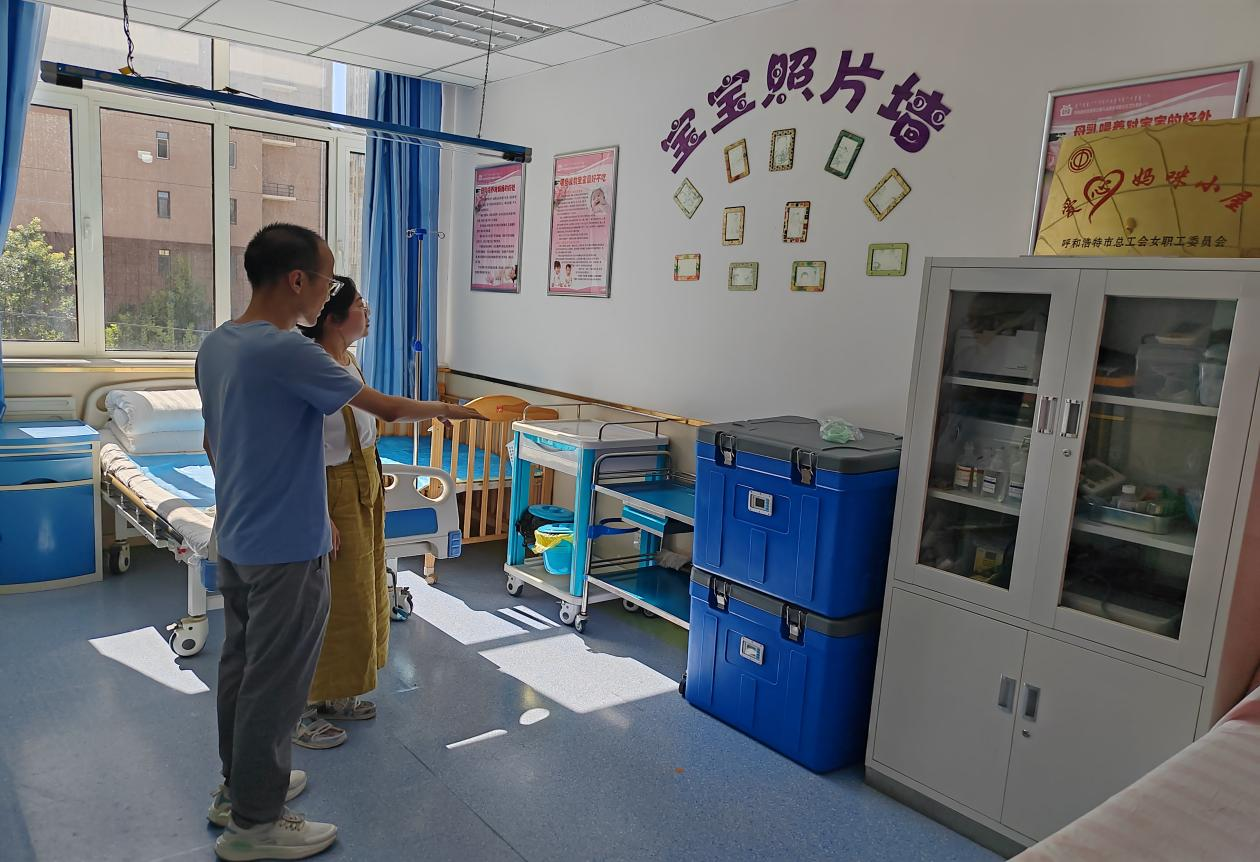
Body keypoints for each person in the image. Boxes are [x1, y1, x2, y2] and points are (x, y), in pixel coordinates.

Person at [198, 223, 479, 862]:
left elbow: (214, 444)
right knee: (277, 684)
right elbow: (386, 410)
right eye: (326, 279)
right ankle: (256, 824)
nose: (329, 291)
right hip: (285, 547)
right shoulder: (289, 352)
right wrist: (452, 411)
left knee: (241, 668)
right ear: (297, 279)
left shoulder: (217, 345)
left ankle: (237, 791)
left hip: (237, 536)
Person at [291, 277, 388, 750]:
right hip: (328, 487)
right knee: (320, 601)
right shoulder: (311, 369)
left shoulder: (349, 361)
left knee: (356, 594)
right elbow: (299, 448)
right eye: (359, 304)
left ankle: (334, 691)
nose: (367, 311)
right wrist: (317, 512)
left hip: (364, 479)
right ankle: (299, 708)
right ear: (332, 317)